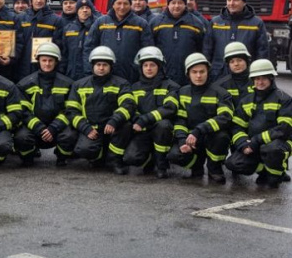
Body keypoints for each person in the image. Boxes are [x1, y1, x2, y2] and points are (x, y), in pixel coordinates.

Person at [58, 46, 135, 171]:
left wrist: (114, 120)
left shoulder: (121, 84)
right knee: (84, 150)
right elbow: (71, 110)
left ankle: (115, 160)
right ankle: (97, 157)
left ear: (111, 66)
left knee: (126, 126)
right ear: (92, 66)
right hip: (91, 128)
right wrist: (85, 128)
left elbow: (128, 105)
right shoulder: (79, 85)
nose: (101, 67)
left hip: (112, 127)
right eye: (98, 64)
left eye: (105, 64)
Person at [166, 53, 233, 183]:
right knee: (174, 155)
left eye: (202, 71)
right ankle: (196, 165)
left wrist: (199, 130)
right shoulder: (182, 92)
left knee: (222, 137)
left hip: (210, 135)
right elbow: (180, 120)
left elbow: (225, 117)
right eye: (194, 72)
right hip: (189, 138)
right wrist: (181, 141)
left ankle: (214, 168)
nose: (198, 76)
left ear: (207, 72)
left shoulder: (220, 93)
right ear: (188, 74)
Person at [226, 59, 292, 188]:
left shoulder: (284, 99)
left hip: (280, 142)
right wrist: (243, 144)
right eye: (256, 79)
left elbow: (284, 129)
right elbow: (236, 126)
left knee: (272, 152)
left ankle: (277, 174)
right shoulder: (247, 101)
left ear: (271, 79)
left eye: (263, 79)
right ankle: (264, 170)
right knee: (232, 163)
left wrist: (256, 141)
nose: (260, 82)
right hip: (253, 145)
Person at [120, 47, 180, 178]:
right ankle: (150, 158)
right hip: (142, 130)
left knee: (163, 125)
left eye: (152, 65)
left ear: (159, 66)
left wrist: (144, 119)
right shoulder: (134, 87)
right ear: (140, 67)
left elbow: (170, 108)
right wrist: (138, 120)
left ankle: (161, 164)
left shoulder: (171, 86)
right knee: (131, 159)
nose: (148, 68)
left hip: (162, 131)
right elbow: (131, 109)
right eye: (145, 65)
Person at [14, 43, 75, 167]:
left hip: (57, 128)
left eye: (50, 60)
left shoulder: (67, 84)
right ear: (38, 61)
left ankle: (62, 157)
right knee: (21, 137)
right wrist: (39, 128)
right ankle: (28, 157)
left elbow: (69, 110)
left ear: (56, 61)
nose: (47, 64)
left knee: (70, 135)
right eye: (44, 60)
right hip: (34, 127)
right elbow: (23, 111)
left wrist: (53, 128)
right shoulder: (25, 84)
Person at [83, 0, 153, 83]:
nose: (122, 7)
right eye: (119, 3)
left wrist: (140, 72)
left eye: (125, 3)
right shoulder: (101, 22)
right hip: (105, 76)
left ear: (130, 5)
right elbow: (89, 47)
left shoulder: (141, 24)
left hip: (132, 77)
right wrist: (90, 71)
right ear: (113, 4)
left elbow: (147, 51)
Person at [203, 0, 268, 80]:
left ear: (244, 2)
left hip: (246, 77)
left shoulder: (256, 23)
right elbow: (207, 50)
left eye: (235, 0)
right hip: (218, 75)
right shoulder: (215, 22)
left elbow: (262, 52)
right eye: (229, 0)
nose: (231, 3)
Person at [149, 0, 205, 86]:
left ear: (184, 4)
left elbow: (202, 50)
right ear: (168, 4)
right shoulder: (156, 23)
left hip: (187, 77)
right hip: (162, 77)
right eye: (173, 3)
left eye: (180, 3)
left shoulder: (196, 24)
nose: (176, 6)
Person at [19, 0, 65, 79]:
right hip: (22, 67)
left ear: (46, 0)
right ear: (31, 0)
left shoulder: (56, 20)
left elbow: (59, 45)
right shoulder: (21, 18)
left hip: (44, 67)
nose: (38, 1)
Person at [61, 0, 95, 82]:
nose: (84, 10)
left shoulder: (96, 27)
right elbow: (64, 53)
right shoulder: (68, 28)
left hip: (90, 73)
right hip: (71, 74)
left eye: (87, 8)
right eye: (81, 8)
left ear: (91, 10)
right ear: (77, 11)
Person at [214, 42, 253, 107]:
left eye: (239, 60)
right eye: (232, 62)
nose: (236, 64)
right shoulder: (220, 85)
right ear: (228, 65)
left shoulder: (257, 82)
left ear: (247, 61)